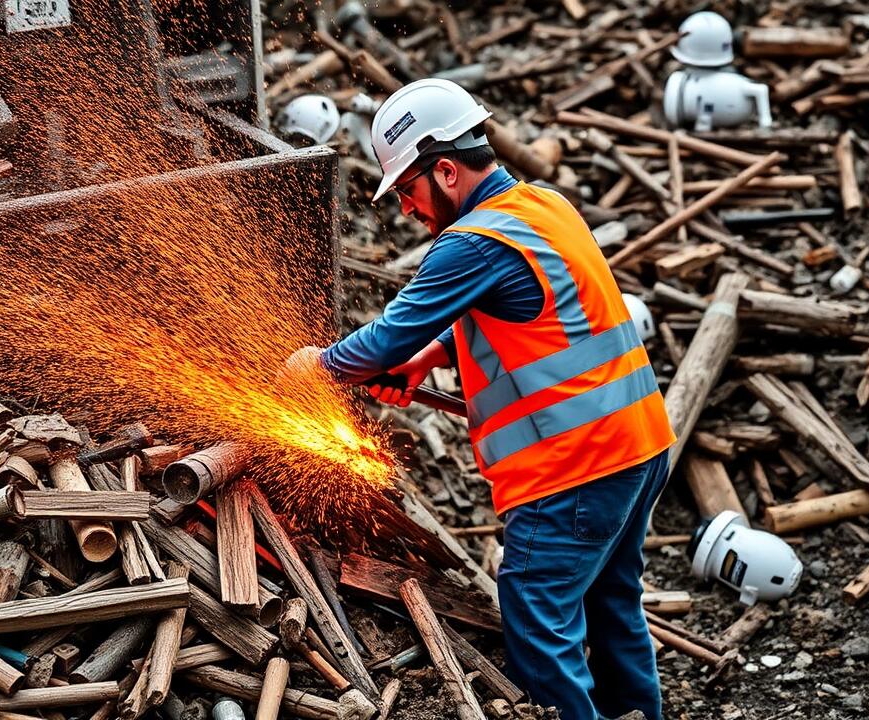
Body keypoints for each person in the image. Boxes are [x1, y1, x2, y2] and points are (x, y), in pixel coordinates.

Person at [287, 79, 676, 720]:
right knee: (612, 607)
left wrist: (319, 366)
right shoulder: (539, 207)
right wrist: (431, 358)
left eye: (409, 189)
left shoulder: (469, 244)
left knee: (537, 627)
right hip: (638, 445)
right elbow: (524, 311)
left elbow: (387, 335)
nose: (408, 209)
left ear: (445, 170)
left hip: (574, 468)